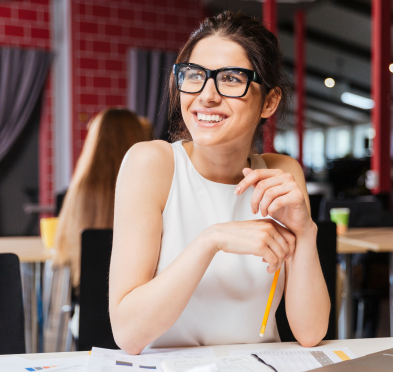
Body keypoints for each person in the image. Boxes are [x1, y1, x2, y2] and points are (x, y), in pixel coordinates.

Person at [109, 11, 330, 355]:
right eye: (194, 76)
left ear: (269, 101)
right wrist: (212, 239)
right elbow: (128, 334)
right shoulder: (151, 164)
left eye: (230, 78)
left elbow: (310, 332)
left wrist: (305, 231)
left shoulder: (281, 174)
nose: (206, 95)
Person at [53, 108, 149, 288]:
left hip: (86, 309)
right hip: (141, 305)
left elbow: (62, 252)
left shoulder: (79, 191)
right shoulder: (152, 188)